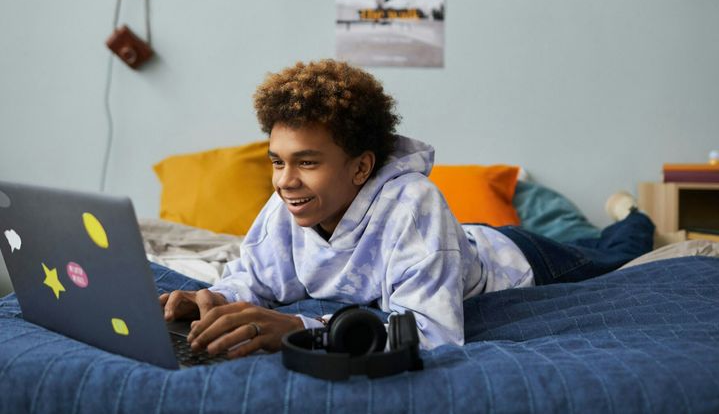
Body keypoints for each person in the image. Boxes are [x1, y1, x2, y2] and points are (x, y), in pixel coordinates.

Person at [160, 59, 653, 358]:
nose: (286, 181)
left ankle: (632, 212)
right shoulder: (286, 203)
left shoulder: (413, 204)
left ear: (360, 167)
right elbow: (258, 276)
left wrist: (297, 328)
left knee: (614, 251)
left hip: (515, 257)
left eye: (307, 163)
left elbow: (433, 333)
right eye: (277, 162)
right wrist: (217, 299)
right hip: (453, 245)